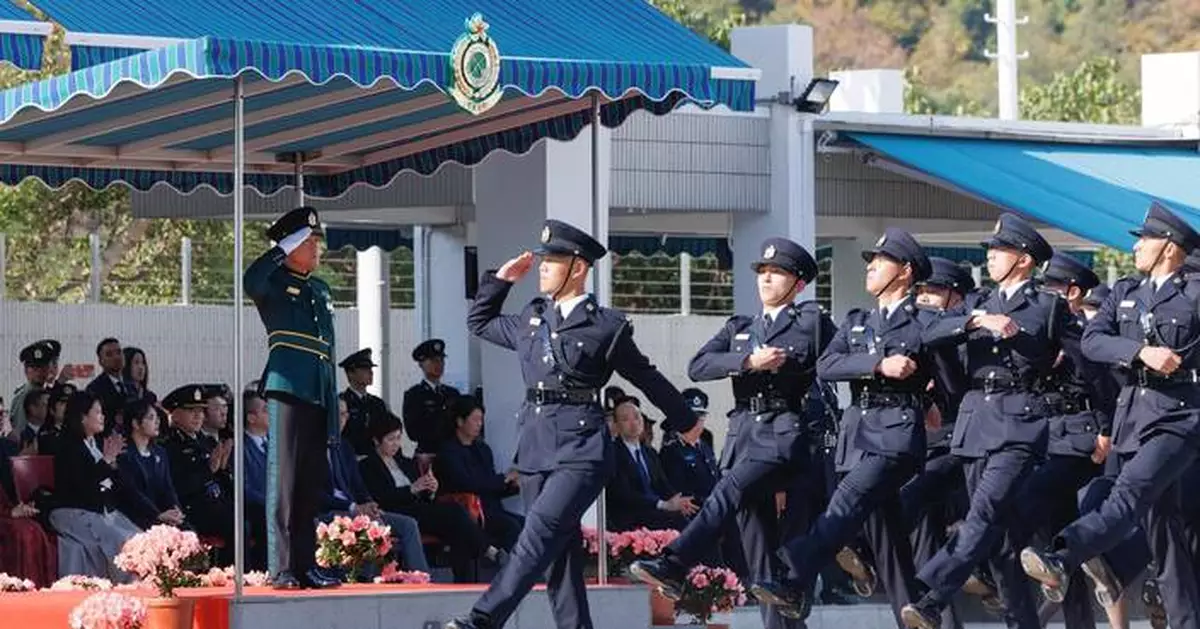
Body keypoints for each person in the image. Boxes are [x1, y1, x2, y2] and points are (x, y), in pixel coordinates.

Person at [446, 219, 694, 629]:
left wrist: (685, 420)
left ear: (577, 268)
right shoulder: (533, 316)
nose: (542, 267)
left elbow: (645, 376)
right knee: (558, 555)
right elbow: (480, 322)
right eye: (543, 260)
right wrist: (500, 281)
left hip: (581, 450)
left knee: (538, 534)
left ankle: (483, 619)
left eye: (552, 261)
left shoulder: (606, 326)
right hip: (535, 446)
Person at [631, 237, 835, 629]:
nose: (766, 278)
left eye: (777, 272)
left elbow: (841, 358)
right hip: (743, 438)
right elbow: (698, 366)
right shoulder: (740, 327)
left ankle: (674, 562)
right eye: (763, 271)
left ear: (798, 284)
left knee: (728, 491)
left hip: (783, 436)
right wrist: (747, 361)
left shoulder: (810, 322)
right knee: (762, 567)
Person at [1020, 201, 1200, 629]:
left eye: (1145, 240)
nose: (1136, 247)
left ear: (1169, 247)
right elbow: (1093, 341)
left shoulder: (1195, 292)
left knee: (1129, 493)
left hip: (1178, 418)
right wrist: (1140, 352)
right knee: (1165, 537)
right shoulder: (1125, 292)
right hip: (1133, 419)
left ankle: (1063, 555)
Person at [752, 228, 941, 623]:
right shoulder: (858, 319)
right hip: (857, 437)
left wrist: (933, 398)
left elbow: (950, 372)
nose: (871, 266)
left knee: (847, 500)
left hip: (896, 434)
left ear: (905, 271)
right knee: (889, 545)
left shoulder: (924, 319)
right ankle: (918, 613)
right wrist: (879, 365)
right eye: (871, 260)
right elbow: (827, 365)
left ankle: (792, 573)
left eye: (881, 261)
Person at [900, 213, 1074, 629]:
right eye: (991, 251)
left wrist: (1101, 422)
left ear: (1024, 260)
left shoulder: (1047, 306)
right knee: (1000, 541)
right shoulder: (976, 305)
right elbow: (928, 334)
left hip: (1020, 426)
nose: (991, 257)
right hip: (976, 425)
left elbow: (1082, 359)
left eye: (1000, 250)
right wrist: (977, 320)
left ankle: (932, 595)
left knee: (982, 513)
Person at [244, 206, 340, 590]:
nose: (316, 248)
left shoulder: (320, 289)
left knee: (309, 484)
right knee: (283, 482)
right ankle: (281, 567)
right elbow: (251, 280)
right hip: (286, 384)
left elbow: (328, 350)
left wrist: (331, 401)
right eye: (308, 241)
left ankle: (305, 565)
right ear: (291, 245)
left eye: (316, 241)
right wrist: (279, 250)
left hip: (317, 388)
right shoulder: (273, 282)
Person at [360, 414, 493, 581]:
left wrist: (431, 489)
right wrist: (411, 490)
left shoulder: (406, 463)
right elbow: (381, 497)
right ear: (376, 440)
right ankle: (487, 550)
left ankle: (465, 580)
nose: (396, 444)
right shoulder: (368, 466)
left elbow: (423, 495)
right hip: (398, 510)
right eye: (390, 439)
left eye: (398, 438)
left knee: (457, 528)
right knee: (455, 513)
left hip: (420, 509)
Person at [323, 399, 429, 579]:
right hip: (331, 509)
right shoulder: (311, 447)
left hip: (354, 508)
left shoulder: (345, 446)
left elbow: (358, 485)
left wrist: (370, 504)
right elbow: (317, 494)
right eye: (339, 414)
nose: (343, 419)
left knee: (408, 524)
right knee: (372, 526)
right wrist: (354, 507)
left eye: (345, 414)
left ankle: (421, 577)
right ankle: (366, 579)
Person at [49, 391, 141, 581]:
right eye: (97, 412)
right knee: (121, 540)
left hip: (99, 510)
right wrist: (106, 461)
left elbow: (112, 482)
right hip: (73, 511)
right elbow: (83, 486)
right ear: (83, 417)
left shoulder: (94, 444)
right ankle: (129, 586)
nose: (103, 417)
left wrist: (113, 465)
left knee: (137, 536)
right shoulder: (68, 446)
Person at [437, 395, 524, 551]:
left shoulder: (483, 449)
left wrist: (513, 485)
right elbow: (467, 483)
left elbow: (490, 485)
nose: (479, 424)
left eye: (481, 420)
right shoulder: (449, 451)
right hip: (470, 513)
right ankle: (505, 565)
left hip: (492, 508)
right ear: (460, 421)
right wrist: (503, 478)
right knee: (512, 527)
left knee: (527, 525)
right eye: (475, 419)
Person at [607, 395, 694, 531]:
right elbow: (623, 493)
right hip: (631, 516)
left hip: (655, 511)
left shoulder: (649, 452)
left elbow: (662, 484)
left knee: (694, 517)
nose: (633, 423)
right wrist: (662, 504)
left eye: (637, 417)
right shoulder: (612, 453)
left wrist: (678, 500)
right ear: (616, 426)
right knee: (678, 522)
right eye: (625, 419)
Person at [116, 400, 184, 530]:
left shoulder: (160, 452)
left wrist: (175, 509)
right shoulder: (123, 454)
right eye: (151, 417)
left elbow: (168, 487)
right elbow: (131, 491)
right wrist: (157, 515)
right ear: (136, 423)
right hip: (136, 518)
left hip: (163, 515)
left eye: (157, 417)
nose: (157, 421)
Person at [402, 339, 461, 456]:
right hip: (428, 454)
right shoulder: (414, 395)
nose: (439, 364)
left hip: (453, 454)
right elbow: (413, 433)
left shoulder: (453, 393)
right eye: (433, 361)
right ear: (421, 364)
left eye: (441, 360)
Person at [339, 348, 393, 457]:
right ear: (350, 374)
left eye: (370, 368)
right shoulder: (342, 402)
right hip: (351, 459)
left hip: (375, 459)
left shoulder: (377, 403)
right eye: (364, 369)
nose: (370, 372)